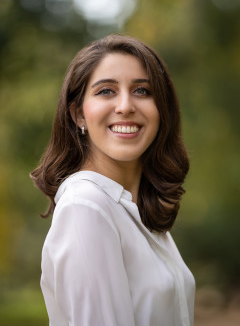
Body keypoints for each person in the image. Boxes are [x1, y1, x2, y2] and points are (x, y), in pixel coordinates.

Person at [30, 34, 195, 326]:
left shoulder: (134, 211)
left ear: (161, 110)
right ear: (79, 114)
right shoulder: (86, 207)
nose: (125, 106)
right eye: (106, 91)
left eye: (142, 91)